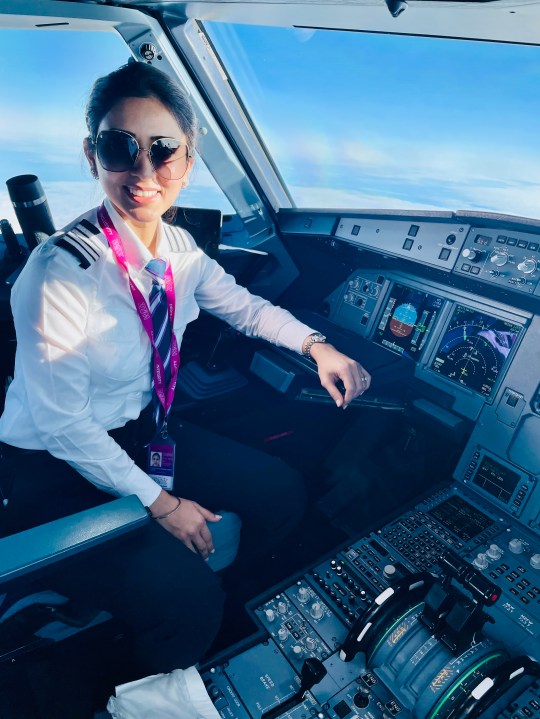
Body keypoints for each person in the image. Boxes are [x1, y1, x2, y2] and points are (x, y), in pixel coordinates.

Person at [0, 62, 371, 683]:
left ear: (187, 162)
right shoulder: (58, 272)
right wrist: (165, 506)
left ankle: (237, 616)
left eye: (163, 150)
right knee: (186, 606)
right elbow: (63, 425)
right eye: (121, 148)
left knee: (280, 493)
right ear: (93, 156)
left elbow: (245, 308)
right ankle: (140, 673)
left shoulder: (178, 251)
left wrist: (317, 346)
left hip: (138, 433)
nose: (144, 172)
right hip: (48, 465)